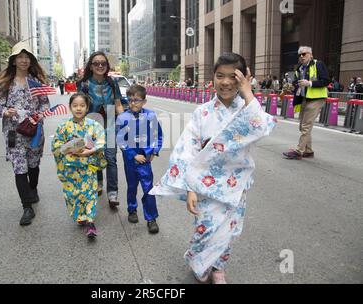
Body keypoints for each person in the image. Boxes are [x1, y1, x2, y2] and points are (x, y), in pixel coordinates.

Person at [150, 53, 276, 284]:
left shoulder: (248, 109)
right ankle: (198, 259)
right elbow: (187, 150)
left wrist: (248, 93)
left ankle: (219, 267)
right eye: (220, 76)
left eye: (233, 77)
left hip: (235, 184)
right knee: (204, 228)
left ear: (243, 79)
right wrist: (189, 188)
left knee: (228, 231)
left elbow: (262, 127)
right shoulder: (203, 112)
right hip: (204, 185)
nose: (226, 82)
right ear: (213, 78)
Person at [0, 42, 50, 226]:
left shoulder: (37, 82)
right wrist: (5, 112)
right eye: (20, 57)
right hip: (13, 132)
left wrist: (39, 115)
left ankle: (32, 189)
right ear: (14, 61)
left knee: (33, 165)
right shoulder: (4, 84)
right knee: (19, 167)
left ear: (30, 61)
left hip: (34, 130)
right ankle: (27, 207)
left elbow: (45, 104)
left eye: (27, 57)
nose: (24, 60)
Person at [51, 93, 107, 238]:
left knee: (89, 193)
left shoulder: (94, 125)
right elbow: (56, 145)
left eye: (82, 105)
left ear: (87, 108)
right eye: (75, 105)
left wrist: (91, 150)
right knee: (73, 194)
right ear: (70, 107)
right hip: (70, 167)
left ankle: (90, 221)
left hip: (88, 166)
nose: (78, 108)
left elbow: (101, 140)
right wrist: (69, 148)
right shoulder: (64, 126)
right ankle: (80, 217)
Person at [77, 51, 124, 208]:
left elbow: (118, 103)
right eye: (96, 63)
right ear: (91, 66)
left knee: (111, 158)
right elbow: (80, 106)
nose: (100, 66)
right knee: (95, 156)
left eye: (103, 63)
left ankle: (113, 193)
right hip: (91, 125)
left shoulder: (112, 83)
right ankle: (98, 182)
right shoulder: (84, 84)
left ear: (107, 66)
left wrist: (125, 122)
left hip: (110, 123)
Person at [116, 85, 163, 234]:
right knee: (131, 186)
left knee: (148, 188)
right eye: (130, 100)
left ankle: (151, 218)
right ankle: (132, 209)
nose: (133, 103)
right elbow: (120, 140)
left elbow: (158, 135)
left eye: (136, 100)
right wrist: (133, 154)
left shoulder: (150, 116)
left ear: (144, 101)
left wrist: (154, 151)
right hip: (130, 158)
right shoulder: (122, 117)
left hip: (145, 158)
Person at [283, 46, 329, 160]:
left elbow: (326, 81)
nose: (301, 57)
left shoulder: (318, 64)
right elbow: (296, 84)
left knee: (306, 126)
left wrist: (309, 83)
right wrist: (290, 86)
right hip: (304, 99)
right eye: (300, 55)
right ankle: (308, 151)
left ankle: (299, 151)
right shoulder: (299, 69)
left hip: (316, 98)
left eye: (304, 54)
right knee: (302, 126)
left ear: (311, 54)